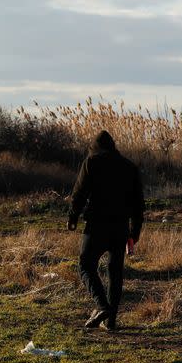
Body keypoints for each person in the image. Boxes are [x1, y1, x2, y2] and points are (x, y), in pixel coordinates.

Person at [68, 130, 144, 331]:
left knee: (85, 265)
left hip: (96, 226)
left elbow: (79, 193)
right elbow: (138, 205)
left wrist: (73, 217)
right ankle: (111, 322)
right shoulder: (129, 167)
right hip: (120, 227)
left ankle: (102, 306)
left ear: (95, 147)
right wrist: (134, 233)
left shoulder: (91, 162)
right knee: (115, 272)